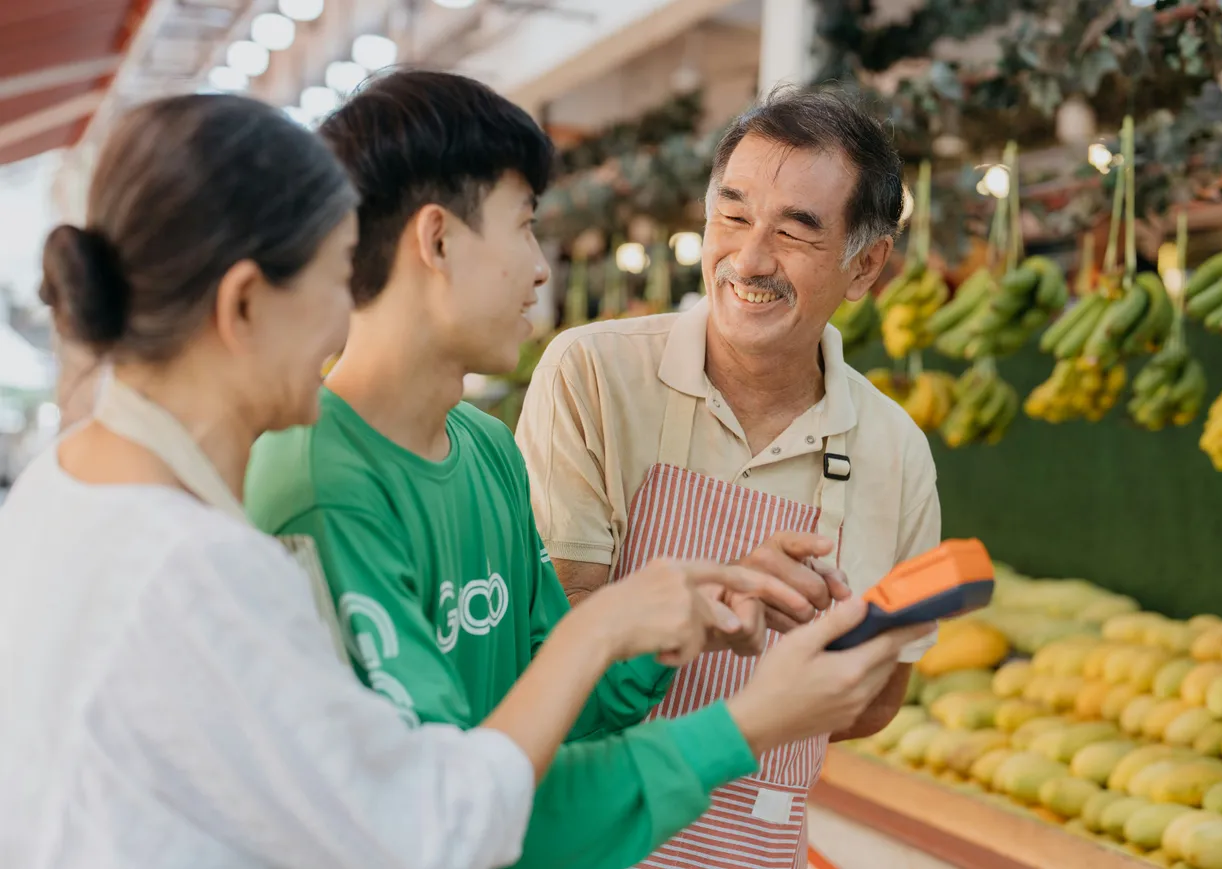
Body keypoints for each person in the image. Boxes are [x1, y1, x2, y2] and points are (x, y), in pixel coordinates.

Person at [0, 93, 843, 869]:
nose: (345, 314)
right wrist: (730, 705)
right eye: (336, 277)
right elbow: (430, 829)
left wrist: (650, 624)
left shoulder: (62, 494)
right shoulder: (202, 567)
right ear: (246, 304)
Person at [242, 70, 927, 869]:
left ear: (865, 265)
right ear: (436, 240)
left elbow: (557, 711)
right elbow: (446, 813)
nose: (541, 269)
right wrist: (743, 723)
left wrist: (692, 610)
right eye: (524, 226)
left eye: (795, 229)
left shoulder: (485, 452)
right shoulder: (317, 488)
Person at [515, 86, 942, 869]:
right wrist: (732, 652)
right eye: (734, 215)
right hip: (589, 839)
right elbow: (555, 632)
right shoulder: (595, 375)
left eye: (795, 231)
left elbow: (884, 692)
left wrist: (807, 685)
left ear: (867, 265)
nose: (749, 259)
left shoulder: (897, 451)